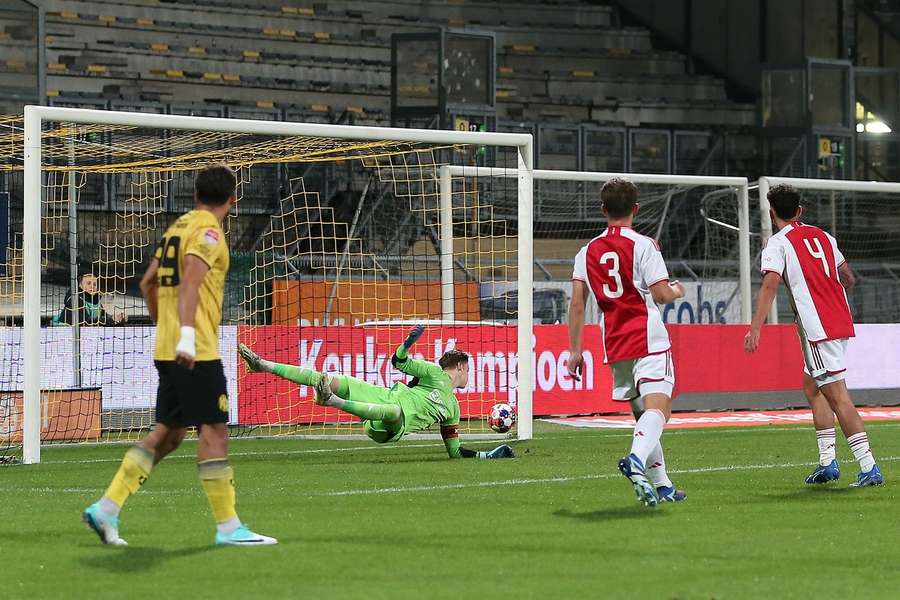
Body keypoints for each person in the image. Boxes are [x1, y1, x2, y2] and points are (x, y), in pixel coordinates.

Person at [83, 163, 277, 547]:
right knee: (215, 429)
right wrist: (187, 336)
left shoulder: (177, 228)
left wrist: (166, 329)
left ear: (194, 195)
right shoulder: (208, 232)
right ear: (233, 200)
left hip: (167, 347)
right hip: (196, 350)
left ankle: (107, 507)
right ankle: (228, 527)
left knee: (169, 435)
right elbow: (190, 282)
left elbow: (147, 281)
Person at [744, 183, 883, 487]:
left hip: (817, 329)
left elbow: (770, 285)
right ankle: (827, 463)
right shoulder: (823, 236)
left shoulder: (778, 243)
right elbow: (847, 276)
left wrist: (756, 326)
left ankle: (868, 466)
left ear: (772, 213)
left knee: (837, 396)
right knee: (812, 387)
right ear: (800, 211)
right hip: (840, 321)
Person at [566, 177, 686, 507]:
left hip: (615, 342)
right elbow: (661, 294)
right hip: (647, 336)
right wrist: (677, 290)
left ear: (603, 210)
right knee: (659, 409)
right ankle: (635, 460)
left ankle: (663, 486)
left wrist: (575, 350)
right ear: (635, 209)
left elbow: (577, 303)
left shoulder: (586, 251)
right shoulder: (644, 245)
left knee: (642, 413)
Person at [238, 324, 515, 460]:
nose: (469, 374)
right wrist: (408, 342)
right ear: (461, 366)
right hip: (382, 398)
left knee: (394, 411)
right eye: (468, 369)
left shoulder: (453, 409)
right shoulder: (434, 373)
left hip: (393, 426)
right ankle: (263, 364)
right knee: (331, 378)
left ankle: (332, 402)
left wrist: (487, 455)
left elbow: (454, 452)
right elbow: (399, 361)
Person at [52, 273, 127, 326]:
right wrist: (110, 320)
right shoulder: (74, 300)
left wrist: (117, 318)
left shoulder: (95, 300)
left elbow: (102, 317)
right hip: (62, 332)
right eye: (88, 283)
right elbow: (84, 321)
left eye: (94, 284)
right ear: (80, 286)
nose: (92, 286)